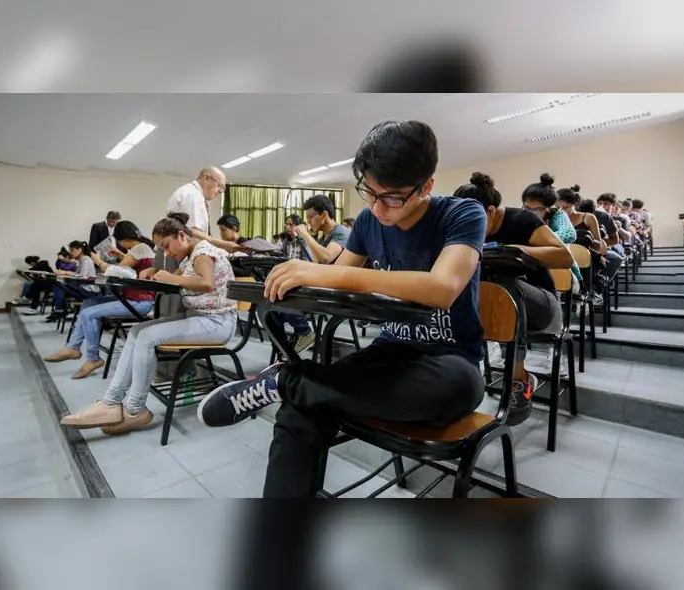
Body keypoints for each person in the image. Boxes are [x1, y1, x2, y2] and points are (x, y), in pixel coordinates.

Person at [197, 120, 492, 498]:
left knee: (460, 388)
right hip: (388, 354)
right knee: (301, 407)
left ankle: (286, 379)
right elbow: (334, 282)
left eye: (392, 198)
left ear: (426, 187)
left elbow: (442, 288)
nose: (377, 207)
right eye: (369, 191)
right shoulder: (369, 221)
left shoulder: (462, 214)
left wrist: (329, 273)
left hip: (450, 360)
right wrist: (296, 277)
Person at [59, 213, 238, 435]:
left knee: (147, 337)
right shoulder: (188, 257)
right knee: (137, 330)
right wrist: (155, 272)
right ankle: (110, 402)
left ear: (181, 236)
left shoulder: (203, 252)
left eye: (166, 245)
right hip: (200, 317)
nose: (166, 252)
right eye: (161, 248)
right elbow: (175, 278)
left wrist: (173, 278)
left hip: (218, 322)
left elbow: (207, 282)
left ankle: (135, 409)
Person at [455, 172, 573, 422]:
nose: (468, 228)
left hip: (543, 308)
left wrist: (515, 249)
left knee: (504, 287)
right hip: (500, 311)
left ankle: (520, 378)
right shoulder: (472, 230)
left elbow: (565, 257)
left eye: (471, 220)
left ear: (489, 212)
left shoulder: (522, 219)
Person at [43, 221, 157, 379]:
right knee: (88, 303)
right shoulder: (142, 248)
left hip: (139, 303)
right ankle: (73, 347)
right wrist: (120, 255)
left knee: (88, 314)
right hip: (133, 298)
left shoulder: (140, 248)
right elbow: (131, 266)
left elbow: (116, 271)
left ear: (123, 240)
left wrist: (98, 260)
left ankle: (93, 358)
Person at [275, 212, 316, 353]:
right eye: (286, 224)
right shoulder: (285, 242)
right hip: (288, 277)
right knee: (272, 310)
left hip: (302, 279)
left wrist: (301, 237)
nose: (288, 227)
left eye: (291, 224)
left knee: (283, 300)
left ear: (299, 226)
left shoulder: (305, 241)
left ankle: (304, 331)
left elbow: (308, 262)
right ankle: (281, 346)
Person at [45, 240, 102, 323]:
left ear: (79, 249)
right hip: (83, 288)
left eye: (72, 250)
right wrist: (67, 273)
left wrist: (67, 273)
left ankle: (60, 310)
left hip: (88, 290)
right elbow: (78, 275)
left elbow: (82, 277)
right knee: (57, 283)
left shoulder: (86, 260)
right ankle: (60, 310)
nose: (70, 253)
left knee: (58, 283)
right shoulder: (81, 260)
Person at [295, 194, 351, 265]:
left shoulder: (341, 232)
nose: (308, 222)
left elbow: (326, 258)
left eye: (310, 217)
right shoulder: (323, 238)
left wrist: (305, 234)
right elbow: (316, 263)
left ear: (324, 215)